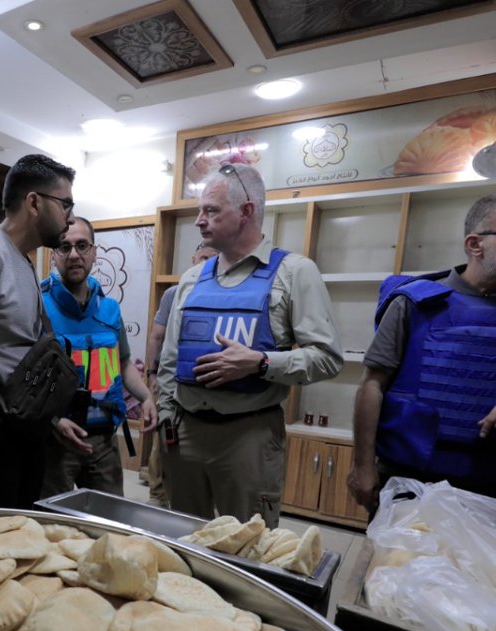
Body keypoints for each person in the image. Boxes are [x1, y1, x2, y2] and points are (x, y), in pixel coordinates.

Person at [346, 190, 496, 512]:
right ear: (475, 245)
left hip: (491, 482)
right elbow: (372, 384)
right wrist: (362, 465)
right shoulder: (414, 302)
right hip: (407, 477)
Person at [156, 164, 343, 526]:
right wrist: (167, 417)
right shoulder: (192, 278)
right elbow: (170, 358)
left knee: (248, 547)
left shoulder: (295, 272)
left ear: (246, 212)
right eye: (200, 210)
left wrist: (260, 363)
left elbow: (327, 357)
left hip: (248, 438)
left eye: (211, 210)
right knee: (182, 537)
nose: (198, 220)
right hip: (184, 433)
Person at [0, 153, 77, 508]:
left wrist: (51, 419)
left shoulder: (22, 260)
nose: (69, 216)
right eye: (65, 203)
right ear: (34, 202)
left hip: (19, 427)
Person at [41, 217, 157, 496]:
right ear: (54, 255)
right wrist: (52, 421)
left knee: (110, 524)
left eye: (82, 246)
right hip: (55, 440)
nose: (74, 255)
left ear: (94, 252)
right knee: (51, 525)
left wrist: (146, 397)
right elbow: (24, 376)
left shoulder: (110, 309)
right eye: (64, 247)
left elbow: (123, 363)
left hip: (104, 440)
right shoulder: (38, 305)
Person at [143, 242, 218, 506]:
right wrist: (152, 374)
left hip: (205, 388)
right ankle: (157, 494)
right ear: (193, 258)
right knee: (163, 441)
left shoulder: (220, 294)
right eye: (203, 258)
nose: (206, 264)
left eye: (213, 259)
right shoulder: (174, 293)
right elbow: (157, 336)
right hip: (170, 383)